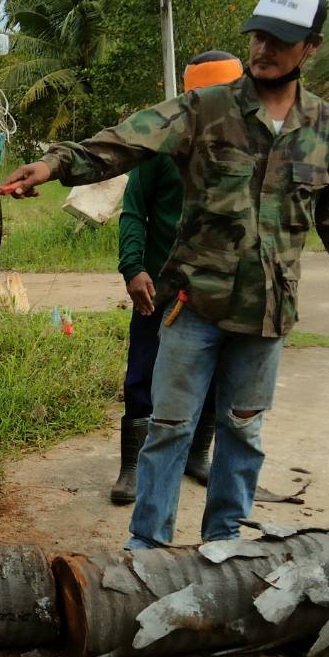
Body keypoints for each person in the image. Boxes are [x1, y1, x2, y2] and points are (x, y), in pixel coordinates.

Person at [6, 0, 329, 549]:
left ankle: (224, 546)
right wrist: (53, 165)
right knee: (168, 429)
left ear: (311, 47)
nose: (264, 48)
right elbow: (128, 140)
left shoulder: (324, 129)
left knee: (243, 433)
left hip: (265, 314)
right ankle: (147, 546)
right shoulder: (207, 109)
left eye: (281, 40)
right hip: (194, 305)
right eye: (259, 35)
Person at [111, 51, 243, 504]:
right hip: (160, 283)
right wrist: (134, 267)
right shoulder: (160, 145)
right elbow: (134, 212)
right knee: (143, 370)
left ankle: (195, 455)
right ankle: (133, 466)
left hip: (217, 285)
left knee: (214, 368)